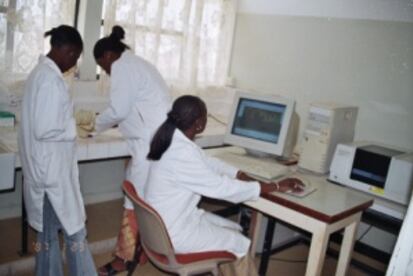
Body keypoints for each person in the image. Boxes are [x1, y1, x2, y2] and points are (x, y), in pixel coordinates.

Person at [145, 95, 303, 276]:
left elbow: (207, 161)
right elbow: (221, 189)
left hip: (165, 224)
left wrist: (238, 174)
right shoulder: (182, 154)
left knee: (235, 229)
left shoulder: (173, 138)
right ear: (199, 123)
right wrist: (273, 186)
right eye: (206, 116)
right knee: (241, 244)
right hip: (175, 233)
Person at [93, 26, 172, 275]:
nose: (105, 71)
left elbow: (118, 109)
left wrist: (93, 126)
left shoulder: (121, 67)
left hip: (149, 143)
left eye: (102, 66)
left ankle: (123, 258)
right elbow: (130, 107)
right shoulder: (138, 63)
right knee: (149, 197)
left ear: (106, 56)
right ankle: (144, 251)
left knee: (133, 198)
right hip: (158, 138)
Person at [18, 25, 96, 276]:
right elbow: (44, 128)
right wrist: (74, 126)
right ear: (68, 51)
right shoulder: (50, 80)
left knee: (48, 237)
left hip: (44, 170)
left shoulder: (39, 74)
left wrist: (69, 122)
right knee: (76, 233)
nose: (73, 64)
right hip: (51, 175)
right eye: (74, 57)